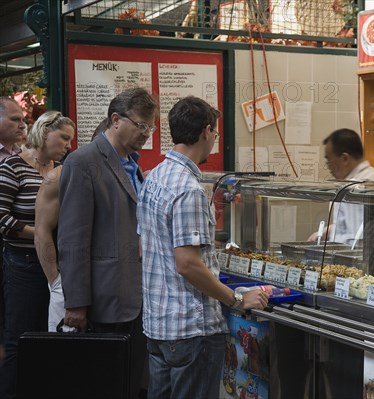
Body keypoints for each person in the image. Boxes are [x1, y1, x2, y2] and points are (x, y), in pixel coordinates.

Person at [137, 96, 268, 399]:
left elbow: (147, 244)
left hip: (159, 325)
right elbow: (188, 264)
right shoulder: (188, 188)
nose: (214, 141)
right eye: (216, 134)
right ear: (206, 131)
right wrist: (236, 299)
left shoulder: (154, 177)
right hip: (189, 330)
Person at [57, 88, 157, 399]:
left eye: (150, 128)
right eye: (141, 125)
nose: (146, 134)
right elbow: (73, 238)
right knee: (102, 385)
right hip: (103, 299)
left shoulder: (133, 164)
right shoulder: (83, 162)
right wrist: (75, 302)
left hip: (137, 296)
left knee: (128, 383)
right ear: (116, 119)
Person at [0, 110, 74, 399]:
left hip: (55, 263)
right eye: (64, 137)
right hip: (23, 263)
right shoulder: (13, 167)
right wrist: (42, 233)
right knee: (19, 336)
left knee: (48, 334)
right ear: (45, 132)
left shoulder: (60, 170)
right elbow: (2, 218)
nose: (69, 144)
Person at [34, 117, 110, 332]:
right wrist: (55, 282)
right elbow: (42, 230)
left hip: (106, 284)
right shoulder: (59, 175)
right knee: (65, 356)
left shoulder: (124, 174)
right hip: (67, 282)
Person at [309, 128, 374, 243]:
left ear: (344, 158)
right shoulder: (368, 177)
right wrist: (328, 231)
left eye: (329, 160)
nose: (328, 166)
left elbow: (358, 238)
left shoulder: (361, 185)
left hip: (365, 257)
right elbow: (351, 225)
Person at [0, 97, 27, 368]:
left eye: (22, 119)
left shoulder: (23, 155)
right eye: (14, 119)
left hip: (15, 255)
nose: (22, 124)